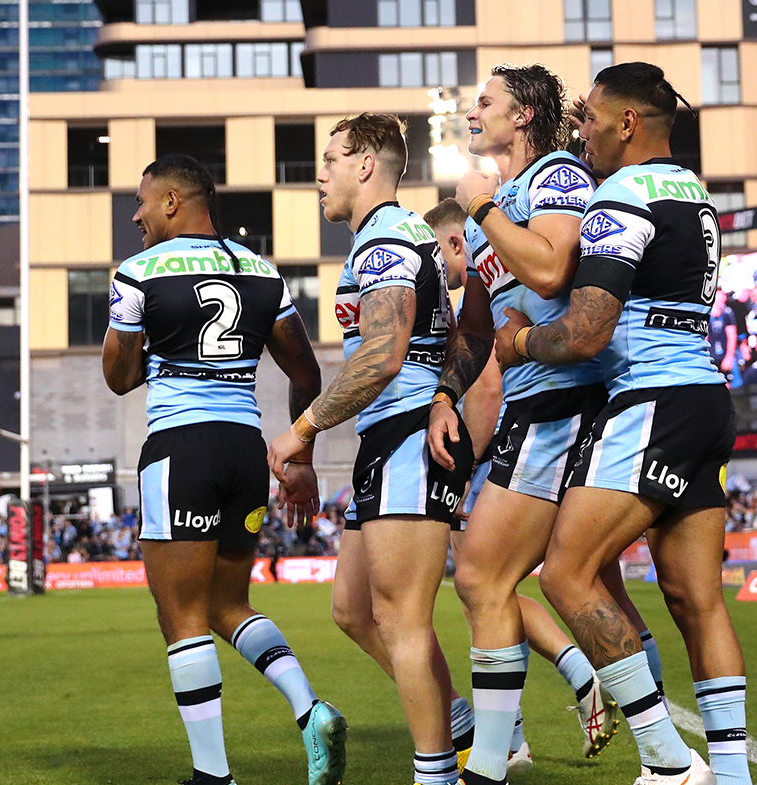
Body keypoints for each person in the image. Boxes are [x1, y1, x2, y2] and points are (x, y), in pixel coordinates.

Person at [427, 65, 682, 785]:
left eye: (487, 102)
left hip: (565, 399)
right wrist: (447, 396)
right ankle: (665, 751)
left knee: (482, 572)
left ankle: (497, 760)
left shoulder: (558, 177)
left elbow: (549, 270)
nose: (474, 111)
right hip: (534, 403)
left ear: (526, 116)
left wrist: (479, 211)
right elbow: (477, 326)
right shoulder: (504, 199)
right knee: (592, 585)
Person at [493, 62, 744, 785]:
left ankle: (668, 761)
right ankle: (731, 774)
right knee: (697, 601)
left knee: (568, 574)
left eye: (592, 120)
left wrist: (515, 342)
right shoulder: (692, 190)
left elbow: (585, 332)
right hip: (706, 400)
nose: (582, 132)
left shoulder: (622, 195)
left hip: (651, 401)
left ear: (628, 123)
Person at [102, 153, 345, 785]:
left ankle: (213, 776)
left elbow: (120, 379)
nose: (136, 215)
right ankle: (308, 707)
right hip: (246, 449)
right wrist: (301, 459)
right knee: (227, 604)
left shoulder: (137, 273)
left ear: (173, 202)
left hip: (181, 449)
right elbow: (306, 373)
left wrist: (148, 340)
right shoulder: (262, 271)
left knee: (180, 616)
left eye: (142, 201)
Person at [268, 113, 473, 785]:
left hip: (406, 433)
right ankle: (456, 720)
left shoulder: (384, 238)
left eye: (330, 160)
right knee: (353, 609)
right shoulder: (389, 237)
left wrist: (302, 430)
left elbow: (383, 355)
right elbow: (441, 338)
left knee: (400, 617)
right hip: (392, 433)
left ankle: (436, 772)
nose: (319, 174)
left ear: (364, 166)